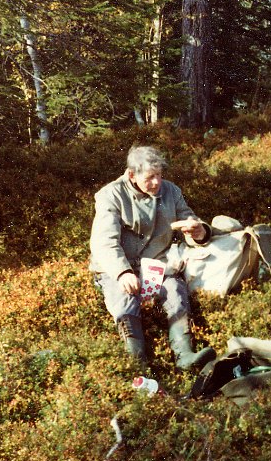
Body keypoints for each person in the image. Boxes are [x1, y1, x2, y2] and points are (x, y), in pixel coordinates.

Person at [90, 145, 216, 370]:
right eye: (150, 177)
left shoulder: (171, 191)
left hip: (156, 263)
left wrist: (199, 231)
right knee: (125, 303)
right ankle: (137, 363)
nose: (157, 183)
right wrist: (122, 272)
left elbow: (189, 217)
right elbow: (104, 242)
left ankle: (184, 355)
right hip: (118, 267)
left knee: (175, 292)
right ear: (132, 175)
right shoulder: (110, 195)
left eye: (159, 175)